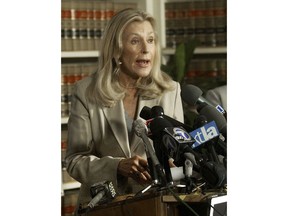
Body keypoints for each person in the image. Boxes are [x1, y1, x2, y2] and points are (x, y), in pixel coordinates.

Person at [65, 8, 184, 212]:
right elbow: (75, 161)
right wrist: (117, 166)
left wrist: (170, 166)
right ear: (117, 49)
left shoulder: (170, 91)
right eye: (135, 41)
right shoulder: (86, 92)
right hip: (103, 208)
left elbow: (179, 156)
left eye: (150, 40)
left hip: (155, 207)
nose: (146, 49)